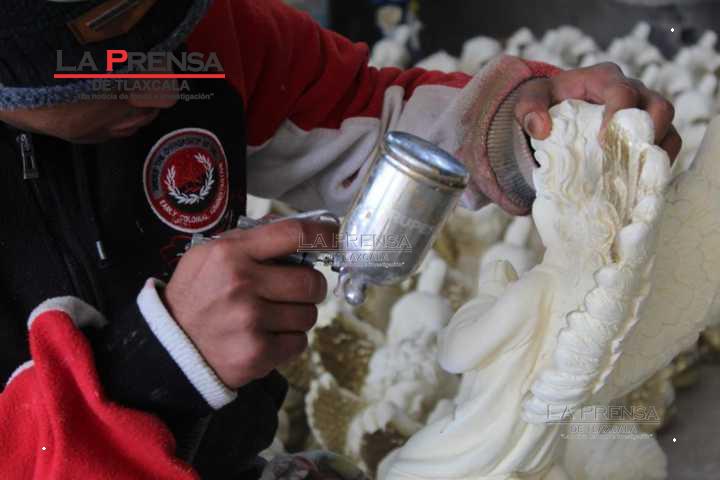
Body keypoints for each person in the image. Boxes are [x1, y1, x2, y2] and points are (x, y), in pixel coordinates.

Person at [0, 0, 680, 479]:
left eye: (166, 39)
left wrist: (521, 133)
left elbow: (357, 110)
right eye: (108, 71)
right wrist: (163, 367)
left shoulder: (211, 41)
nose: (162, 89)